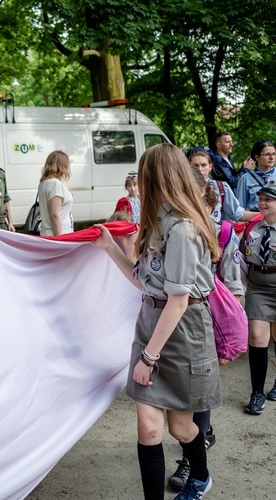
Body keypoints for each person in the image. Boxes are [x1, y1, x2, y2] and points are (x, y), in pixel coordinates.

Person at [92, 143, 221, 499]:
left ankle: (200, 476)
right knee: (148, 430)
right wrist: (110, 249)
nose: (138, 182)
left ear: (156, 178)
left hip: (182, 332)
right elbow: (145, 282)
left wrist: (149, 357)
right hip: (152, 322)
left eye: (143, 175)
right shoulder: (155, 221)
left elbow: (178, 302)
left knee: (181, 428)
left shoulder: (182, 228)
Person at [167, 168, 241, 492]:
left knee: (198, 399)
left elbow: (230, 279)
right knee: (187, 405)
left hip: (203, 314)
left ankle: (191, 465)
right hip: (182, 316)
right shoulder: (173, 224)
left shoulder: (211, 227)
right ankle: (198, 449)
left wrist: (229, 329)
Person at [239, 182, 276, 416]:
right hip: (258, 288)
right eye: (260, 199)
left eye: (268, 200)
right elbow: (242, 254)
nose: (262, 203)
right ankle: (257, 393)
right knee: (257, 337)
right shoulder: (253, 226)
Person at [188, 148, 257, 223]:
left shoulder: (221, 187)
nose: (200, 169)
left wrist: (263, 215)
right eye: (196, 165)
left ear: (210, 166)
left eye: (203, 165)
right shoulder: (182, 188)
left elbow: (237, 213)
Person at [37, 151, 74, 236]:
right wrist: (59, 238)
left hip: (48, 233)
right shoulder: (54, 184)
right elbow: (54, 215)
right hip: (58, 234)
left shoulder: (43, 183)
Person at [236, 140, 276, 211]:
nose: (272, 157)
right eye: (267, 154)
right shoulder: (246, 179)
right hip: (256, 219)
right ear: (257, 157)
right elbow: (239, 209)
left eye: (274, 154)